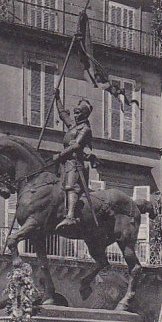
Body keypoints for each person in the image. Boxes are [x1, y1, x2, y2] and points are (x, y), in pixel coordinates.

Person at [53, 88, 94, 232]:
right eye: (75, 112)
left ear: (84, 114)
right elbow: (63, 114)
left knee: (71, 186)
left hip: (75, 163)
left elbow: (76, 145)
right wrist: (57, 98)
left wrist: (60, 155)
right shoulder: (73, 126)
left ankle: (70, 216)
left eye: (78, 113)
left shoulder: (85, 128)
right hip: (65, 162)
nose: (75, 115)